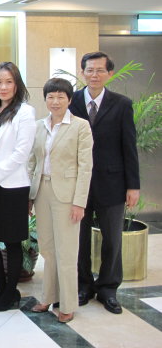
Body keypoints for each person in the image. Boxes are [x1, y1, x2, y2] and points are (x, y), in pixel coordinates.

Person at [70, 52, 139, 314]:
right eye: (89, 70)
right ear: (83, 73)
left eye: (100, 70)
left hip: (112, 183)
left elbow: (129, 147)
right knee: (80, 239)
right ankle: (83, 285)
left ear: (110, 73)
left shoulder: (122, 104)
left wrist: (133, 185)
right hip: (78, 185)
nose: (94, 75)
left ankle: (108, 288)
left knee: (112, 239)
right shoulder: (71, 101)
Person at [28, 77, 93, 323]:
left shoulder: (80, 126)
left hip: (67, 195)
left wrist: (80, 202)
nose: (55, 101)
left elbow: (86, 167)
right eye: (50, 97)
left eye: (60, 97)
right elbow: (32, 162)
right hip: (41, 191)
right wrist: (30, 196)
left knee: (66, 251)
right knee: (47, 248)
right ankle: (48, 297)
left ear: (69, 100)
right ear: (45, 99)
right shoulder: (39, 126)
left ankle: (67, 304)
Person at [0, 61, 36, 311]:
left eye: (8, 82)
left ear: (17, 84)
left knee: (12, 242)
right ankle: (1, 289)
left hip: (11, 186)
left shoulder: (25, 112)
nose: (3, 87)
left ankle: (11, 292)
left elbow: (22, 152)